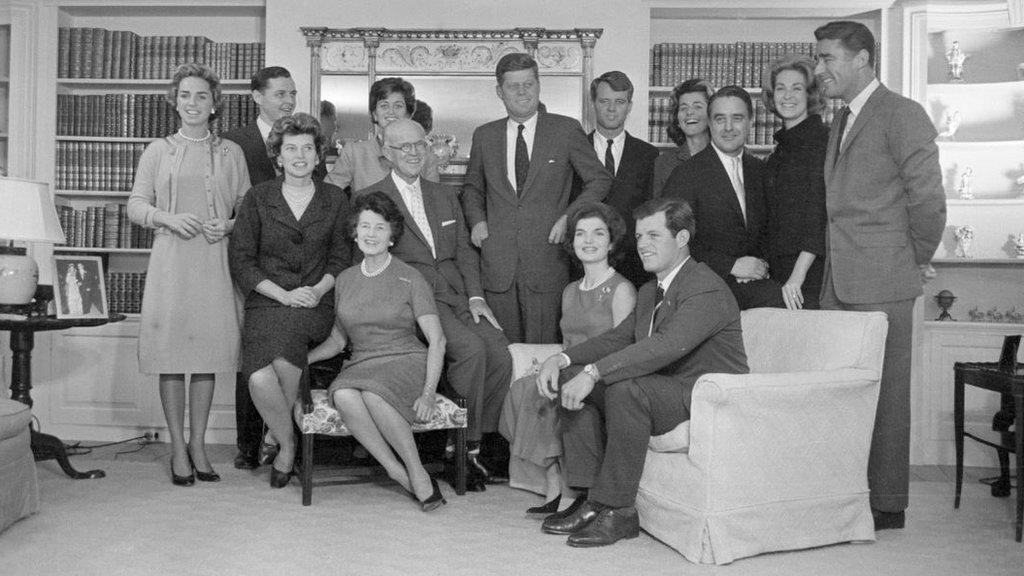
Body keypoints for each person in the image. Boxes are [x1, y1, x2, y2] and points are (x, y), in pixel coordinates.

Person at [535, 197, 748, 547]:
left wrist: (594, 373)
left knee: (623, 387)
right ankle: (592, 497)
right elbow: (619, 339)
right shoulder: (651, 290)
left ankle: (619, 512)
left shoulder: (703, 285)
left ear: (681, 239)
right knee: (570, 376)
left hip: (706, 396)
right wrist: (560, 361)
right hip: (664, 388)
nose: (643, 245)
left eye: (653, 235)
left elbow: (666, 345)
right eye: (639, 237)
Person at [813, 20, 946, 530]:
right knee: (839, 396)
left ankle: (887, 505)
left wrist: (911, 258)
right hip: (838, 281)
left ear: (863, 58)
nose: (820, 68)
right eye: (819, 58)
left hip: (884, 281)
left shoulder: (903, 115)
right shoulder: (841, 118)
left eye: (828, 58)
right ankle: (845, 497)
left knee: (887, 396)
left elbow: (929, 201)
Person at [354, 118, 512, 490]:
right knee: (471, 350)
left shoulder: (444, 194)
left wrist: (476, 297)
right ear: (386, 152)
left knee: (500, 352)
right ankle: (460, 449)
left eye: (419, 145)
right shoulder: (371, 198)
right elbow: (368, 258)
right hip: (415, 298)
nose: (413, 152)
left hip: (457, 293)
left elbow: (464, 253)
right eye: (403, 147)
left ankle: (476, 443)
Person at [127, 63, 250, 486]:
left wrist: (228, 225)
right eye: (185, 96)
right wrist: (168, 217)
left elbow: (246, 206)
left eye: (201, 96)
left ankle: (199, 445)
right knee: (171, 354)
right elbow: (136, 204)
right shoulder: (157, 150)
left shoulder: (231, 152)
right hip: (171, 261)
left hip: (214, 259)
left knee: (206, 357)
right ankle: (177, 447)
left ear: (215, 104)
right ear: (174, 102)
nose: (193, 103)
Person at [228, 113, 351, 488]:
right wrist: (281, 293)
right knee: (260, 376)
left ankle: (281, 445)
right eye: (290, 149)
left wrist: (317, 289)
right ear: (278, 157)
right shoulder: (258, 197)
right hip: (268, 299)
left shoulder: (334, 199)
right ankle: (289, 441)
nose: (299, 156)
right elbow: (242, 260)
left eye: (307, 149)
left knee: (279, 359)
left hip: (316, 301)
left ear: (319, 156)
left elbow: (341, 257)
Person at [307, 191, 447, 512]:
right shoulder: (344, 279)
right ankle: (394, 471)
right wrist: (304, 359)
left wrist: (428, 394)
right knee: (343, 395)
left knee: (372, 395)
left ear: (392, 236)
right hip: (363, 363)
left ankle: (416, 470)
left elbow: (436, 340)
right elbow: (338, 341)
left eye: (379, 227)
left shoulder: (411, 277)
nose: (371, 234)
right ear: (355, 232)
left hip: (405, 360)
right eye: (365, 226)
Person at [462, 52, 612, 345]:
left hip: (547, 261)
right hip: (498, 266)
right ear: (499, 91)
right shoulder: (485, 135)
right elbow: (472, 188)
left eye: (528, 84)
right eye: (513, 86)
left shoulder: (565, 130)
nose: (522, 92)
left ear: (539, 85)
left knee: (545, 353)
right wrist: (477, 221)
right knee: (502, 356)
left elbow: (600, 179)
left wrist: (570, 217)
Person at [499, 201, 636, 515]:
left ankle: (570, 494)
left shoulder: (621, 289)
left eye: (598, 234)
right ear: (572, 243)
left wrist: (572, 369)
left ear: (611, 242)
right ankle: (554, 482)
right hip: (567, 368)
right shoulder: (570, 290)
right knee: (526, 387)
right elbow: (567, 342)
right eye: (580, 234)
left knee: (555, 388)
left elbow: (621, 348)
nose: (588, 241)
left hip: (598, 376)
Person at [221, 65, 320, 470]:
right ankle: (250, 445)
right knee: (251, 354)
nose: (288, 101)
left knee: (280, 350)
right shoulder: (234, 141)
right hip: (254, 269)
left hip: (300, 273)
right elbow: (228, 201)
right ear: (257, 97)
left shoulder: (305, 140)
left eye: (293, 94)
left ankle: (279, 440)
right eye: (280, 94)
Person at [661, 86, 785, 310]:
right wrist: (732, 266)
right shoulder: (685, 175)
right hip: (704, 288)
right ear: (709, 123)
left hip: (754, 283)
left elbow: (771, 232)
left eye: (737, 118)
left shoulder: (761, 171)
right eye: (720, 119)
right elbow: (672, 241)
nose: (728, 128)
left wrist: (760, 265)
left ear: (750, 122)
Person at [574, 71, 659, 289]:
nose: (612, 109)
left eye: (619, 102)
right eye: (604, 101)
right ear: (593, 103)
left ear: (629, 106)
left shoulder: (648, 155)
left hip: (634, 266)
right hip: (581, 266)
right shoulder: (574, 149)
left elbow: (651, 212)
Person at [761, 54, 829, 310]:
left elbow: (818, 214)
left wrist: (796, 277)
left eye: (796, 88)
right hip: (781, 269)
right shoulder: (782, 149)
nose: (787, 96)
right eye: (780, 88)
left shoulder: (820, 142)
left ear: (810, 94)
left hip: (806, 273)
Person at [325, 77, 440, 196]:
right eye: (384, 106)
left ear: (409, 114)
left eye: (398, 106)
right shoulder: (354, 153)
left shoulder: (426, 157)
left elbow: (435, 204)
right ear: (374, 114)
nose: (391, 112)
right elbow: (326, 196)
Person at [651, 78, 714, 195]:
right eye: (683, 108)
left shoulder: (727, 157)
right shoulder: (663, 163)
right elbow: (657, 209)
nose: (689, 112)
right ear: (677, 119)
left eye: (697, 106)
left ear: (711, 114)